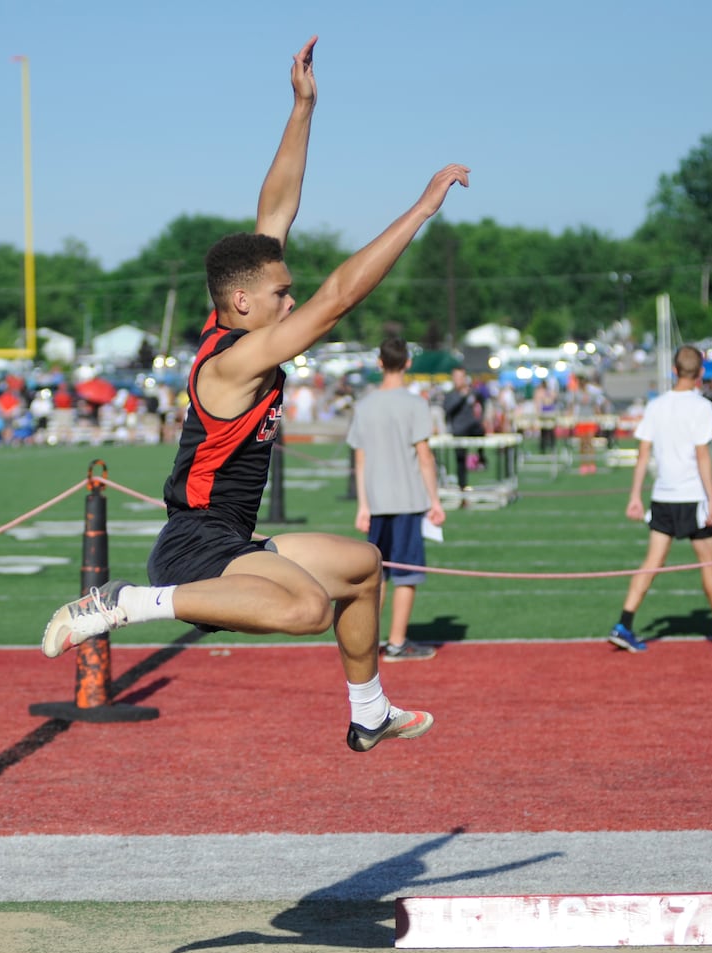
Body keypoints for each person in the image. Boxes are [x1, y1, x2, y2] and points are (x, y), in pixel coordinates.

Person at [42, 36, 470, 752]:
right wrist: (420, 210)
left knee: (362, 567)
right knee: (307, 607)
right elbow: (336, 299)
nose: (290, 296)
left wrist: (302, 108)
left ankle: (368, 711)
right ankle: (126, 602)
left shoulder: (232, 317)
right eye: (280, 292)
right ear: (241, 302)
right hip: (195, 549)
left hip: (229, 540)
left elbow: (275, 207)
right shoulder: (237, 359)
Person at [607, 345, 712, 653]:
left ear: (675, 371)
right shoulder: (703, 406)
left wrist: (634, 496)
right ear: (701, 373)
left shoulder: (656, 405)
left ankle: (624, 623)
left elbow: (642, 455)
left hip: (663, 496)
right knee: (710, 565)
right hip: (693, 497)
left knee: (652, 562)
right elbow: (702, 456)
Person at [346, 335, 446, 661]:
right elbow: (425, 457)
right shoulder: (416, 404)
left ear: (379, 363)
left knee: (378, 575)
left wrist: (363, 505)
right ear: (407, 363)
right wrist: (435, 499)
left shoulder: (364, 405)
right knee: (406, 574)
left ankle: (366, 644)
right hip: (406, 501)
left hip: (376, 503)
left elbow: (359, 460)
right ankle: (397, 642)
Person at [442, 365, 486, 492]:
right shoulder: (450, 394)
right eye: (456, 377)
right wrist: (462, 397)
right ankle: (462, 488)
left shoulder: (472, 392)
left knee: (480, 430)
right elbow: (448, 409)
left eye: (461, 377)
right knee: (460, 461)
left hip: (472, 427)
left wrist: (482, 417)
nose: (459, 380)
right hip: (458, 430)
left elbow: (482, 400)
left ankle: (481, 458)